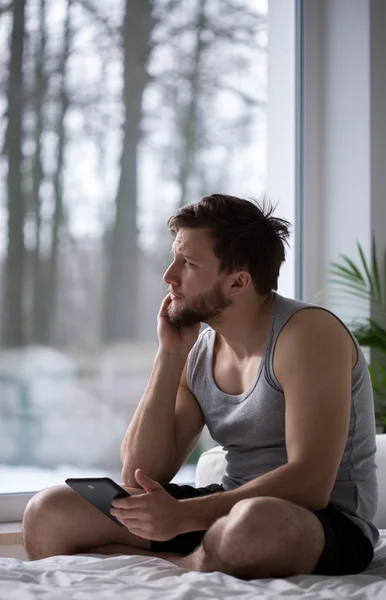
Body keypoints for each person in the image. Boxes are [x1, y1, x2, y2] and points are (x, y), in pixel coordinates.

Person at [22, 194, 378, 579]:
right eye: (175, 258)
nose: (169, 276)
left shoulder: (308, 333)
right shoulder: (199, 347)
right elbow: (142, 473)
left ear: (239, 282)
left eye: (188, 264)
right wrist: (169, 357)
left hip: (318, 522)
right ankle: (198, 558)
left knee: (253, 523)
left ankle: (180, 565)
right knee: (50, 511)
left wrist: (183, 517)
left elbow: (311, 484)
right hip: (223, 510)